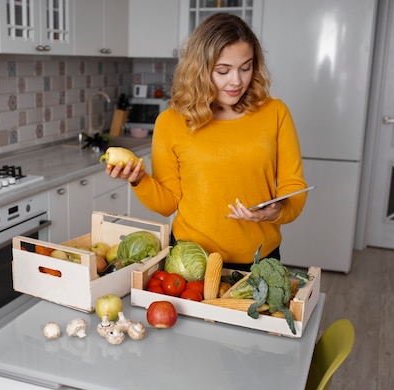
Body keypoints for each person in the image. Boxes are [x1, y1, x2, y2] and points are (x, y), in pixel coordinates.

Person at [106, 13, 308, 271]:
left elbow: (294, 187)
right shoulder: (171, 122)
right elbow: (168, 203)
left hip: (259, 260)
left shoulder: (275, 113)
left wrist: (276, 212)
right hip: (190, 260)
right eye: (223, 70)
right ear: (199, 70)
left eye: (245, 68)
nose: (236, 80)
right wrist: (138, 180)